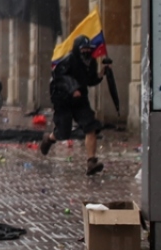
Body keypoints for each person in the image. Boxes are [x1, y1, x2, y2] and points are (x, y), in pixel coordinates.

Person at [40, 36, 109, 175]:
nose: (87, 52)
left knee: (91, 126)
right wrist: (72, 88)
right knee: (63, 132)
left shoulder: (91, 63)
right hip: (64, 101)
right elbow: (60, 78)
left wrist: (100, 75)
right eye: (84, 49)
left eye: (89, 49)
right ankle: (49, 139)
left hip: (80, 101)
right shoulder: (68, 61)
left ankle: (91, 162)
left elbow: (90, 80)